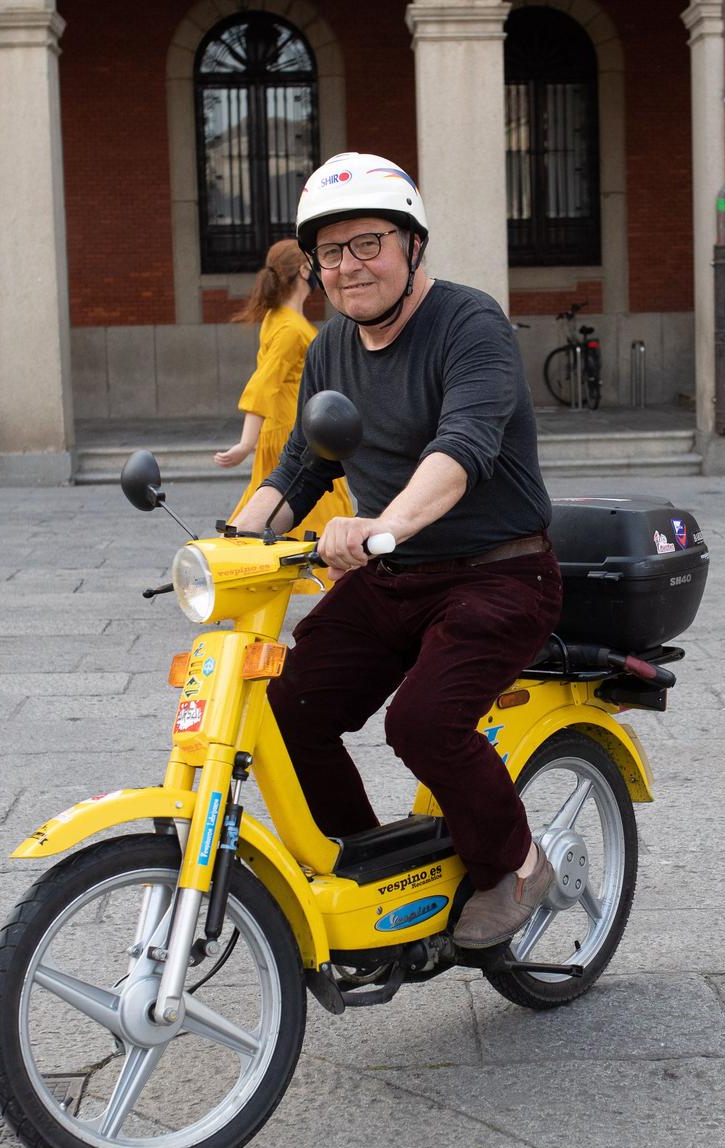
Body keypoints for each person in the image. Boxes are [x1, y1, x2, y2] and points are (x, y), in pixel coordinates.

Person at [230, 152, 562, 948]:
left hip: (500, 572)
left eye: (369, 243)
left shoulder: (470, 323)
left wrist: (384, 526)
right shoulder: (331, 349)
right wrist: (235, 538)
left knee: (421, 722)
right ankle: (369, 862)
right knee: (286, 705)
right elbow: (302, 468)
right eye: (331, 252)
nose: (349, 266)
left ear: (414, 244)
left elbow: (463, 448)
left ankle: (516, 863)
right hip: (395, 576)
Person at [213, 239, 352, 536]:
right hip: (294, 435)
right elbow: (264, 383)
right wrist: (245, 444)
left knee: (268, 509)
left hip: (289, 430)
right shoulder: (289, 327)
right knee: (314, 512)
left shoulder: (278, 319)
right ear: (304, 270)